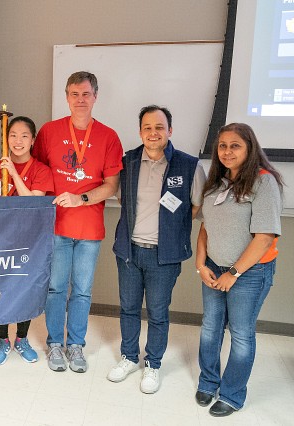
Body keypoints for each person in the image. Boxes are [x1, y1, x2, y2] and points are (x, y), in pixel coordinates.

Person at [108, 105, 206, 393]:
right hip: (129, 251)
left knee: (158, 312)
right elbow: (119, 197)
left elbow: (195, 206)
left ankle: (153, 364)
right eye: (147, 128)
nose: (153, 133)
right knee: (127, 308)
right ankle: (128, 358)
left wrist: (173, 229)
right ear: (140, 132)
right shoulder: (127, 163)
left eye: (159, 127)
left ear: (170, 131)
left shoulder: (188, 166)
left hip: (163, 256)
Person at [33, 71, 123, 373]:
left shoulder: (109, 137)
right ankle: (55, 344)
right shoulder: (48, 131)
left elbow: (111, 185)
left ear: (95, 96)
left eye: (85, 94)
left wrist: (81, 199)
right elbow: (37, 172)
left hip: (89, 229)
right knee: (57, 288)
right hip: (56, 226)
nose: (80, 100)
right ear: (67, 97)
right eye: (74, 94)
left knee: (82, 290)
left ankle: (76, 346)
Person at [194, 123, 283, 417]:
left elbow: (265, 237)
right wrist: (200, 263)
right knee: (210, 328)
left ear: (250, 148)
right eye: (222, 146)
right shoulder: (217, 182)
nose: (227, 152)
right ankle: (208, 382)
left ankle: (232, 394)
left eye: (235, 146)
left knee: (242, 334)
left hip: (249, 275)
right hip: (213, 269)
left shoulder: (263, 182)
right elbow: (206, 227)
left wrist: (233, 273)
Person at [0, 116, 54, 365]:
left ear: (33, 140)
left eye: (24, 136)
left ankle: (21, 338)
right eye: (13, 135)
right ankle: (2, 339)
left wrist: (13, 173)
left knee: (25, 289)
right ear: (6, 139)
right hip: (0, 241)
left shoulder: (41, 170)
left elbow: (34, 204)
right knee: (1, 289)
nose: (18, 141)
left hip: (30, 241)